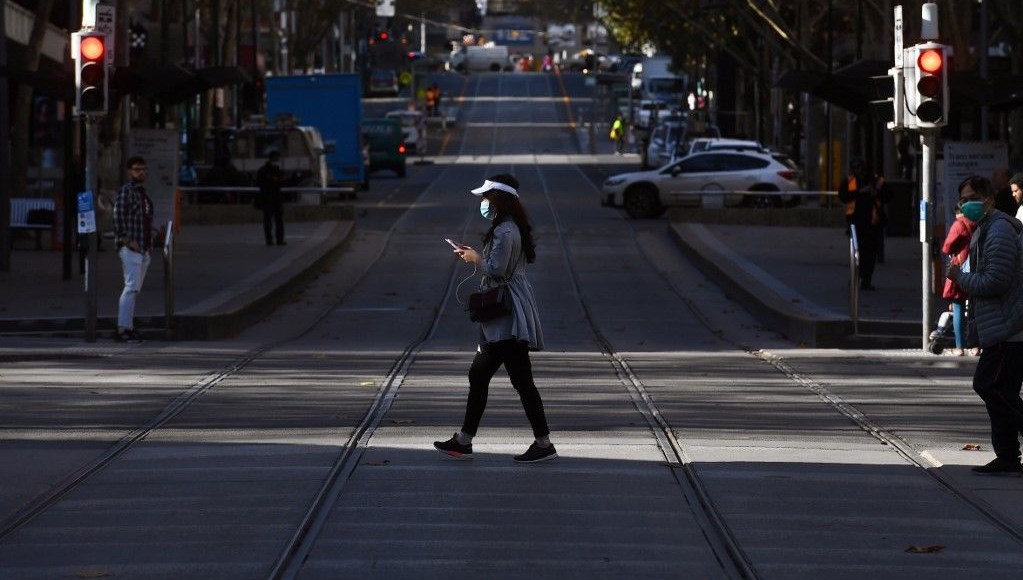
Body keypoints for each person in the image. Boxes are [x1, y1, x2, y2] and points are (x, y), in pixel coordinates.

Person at [433, 174, 556, 463]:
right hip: (510, 312)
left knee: (486, 375)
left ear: (498, 200)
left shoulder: (504, 231)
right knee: (517, 380)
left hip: (506, 315)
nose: (484, 203)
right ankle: (541, 442)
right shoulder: (513, 227)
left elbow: (497, 269)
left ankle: (467, 441)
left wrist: (475, 258)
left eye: (486, 198)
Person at [946, 175, 1023, 476]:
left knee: (989, 385)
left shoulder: (999, 230)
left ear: (989, 199)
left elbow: (996, 280)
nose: (967, 204)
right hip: (1000, 327)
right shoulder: (985, 228)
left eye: (972, 197)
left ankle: (1007, 454)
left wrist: (959, 277)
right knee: (1000, 389)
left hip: (1010, 327)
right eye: (963, 199)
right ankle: (1006, 456)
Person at [113, 156, 155, 343]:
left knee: (134, 289)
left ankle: (128, 326)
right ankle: (123, 328)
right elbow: (118, 217)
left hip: (143, 248)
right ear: (129, 171)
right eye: (137, 169)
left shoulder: (142, 194)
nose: (142, 172)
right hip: (132, 247)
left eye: (144, 169)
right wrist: (127, 240)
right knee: (131, 287)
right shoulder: (127, 192)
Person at [838, 159, 892, 290]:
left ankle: (866, 280)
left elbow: (888, 195)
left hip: (873, 222)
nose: (858, 171)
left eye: (860, 168)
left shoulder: (876, 180)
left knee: (871, 253)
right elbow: (844, 196)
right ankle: (857, 277)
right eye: (856, 168)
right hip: (856, 222)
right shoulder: (851, 181)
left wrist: (876, 193)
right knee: (859, 252)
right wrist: (860, 192)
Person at [940, 204, 977, 356]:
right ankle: (976, 347)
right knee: (975, 310)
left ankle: (960, 346)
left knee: (959, 308)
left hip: (961, 267)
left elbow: (947, 248)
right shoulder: (980, 223)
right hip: (977, 266)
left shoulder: (959, 224)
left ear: (959, 213)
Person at [255, 151, 286, 246]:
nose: (277, 160)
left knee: (277, 220)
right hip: (268, 199)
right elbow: (263, 183)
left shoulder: (277, 170)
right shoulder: (263, 171)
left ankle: (278, 239)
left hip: (275, 199)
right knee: (269, 220)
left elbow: (280, 181)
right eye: (276, 158)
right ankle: (271, 239)